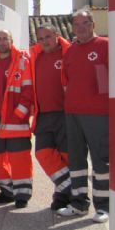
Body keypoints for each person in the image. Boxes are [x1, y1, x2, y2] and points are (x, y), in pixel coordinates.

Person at [57, 9, 110, 223]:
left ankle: (104, 207)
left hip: (98, 114)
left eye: (85, 23)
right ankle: (79, 204)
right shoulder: (70, 51)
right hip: (73, 114)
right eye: (76, 24)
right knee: (77, 160)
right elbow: (67, 80)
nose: (81, 28)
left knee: (101, 161)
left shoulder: (105, 45)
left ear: (93, 24)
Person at [0, 30, 34, 208]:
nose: (2, 42)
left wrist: (20, 114)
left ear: (11, 40)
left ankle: (22, 194)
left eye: (5, 38)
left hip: (15, 120)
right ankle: (7, 191)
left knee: (19, 157)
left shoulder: (22, 61)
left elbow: (28, 90)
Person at [30, 24, 72, 211]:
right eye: (41, 38)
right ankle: (72, 187)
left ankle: (62, 196)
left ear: (56, 35)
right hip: (43, 115)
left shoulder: (68, 53)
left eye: (48, 37)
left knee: (66, 156)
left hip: (65, 114)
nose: (45, 41)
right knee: (43, 153)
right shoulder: (34, 56)